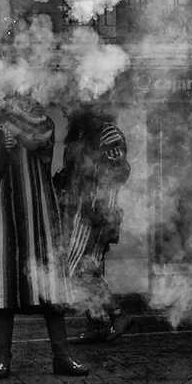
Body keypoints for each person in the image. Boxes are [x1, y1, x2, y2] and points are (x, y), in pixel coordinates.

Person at [0, 98, 91, 379]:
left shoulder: (45, 123)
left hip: (42, 210)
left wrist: (13, 134)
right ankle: (2, 358)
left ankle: (62, 356)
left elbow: (38, 144)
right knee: (5, 284)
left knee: (51, 287)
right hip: (8, 210)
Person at [55, 102, 132, 343]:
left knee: (82, 268)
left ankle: (117, 314)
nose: (66, 111)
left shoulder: (108, 134)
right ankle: (97, 322)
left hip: (94, 214)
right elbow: (74, 173)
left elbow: (118, 172)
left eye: (70, 106)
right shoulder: (80, 137)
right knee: (83, 268)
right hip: (77, 212)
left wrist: (101, 208)